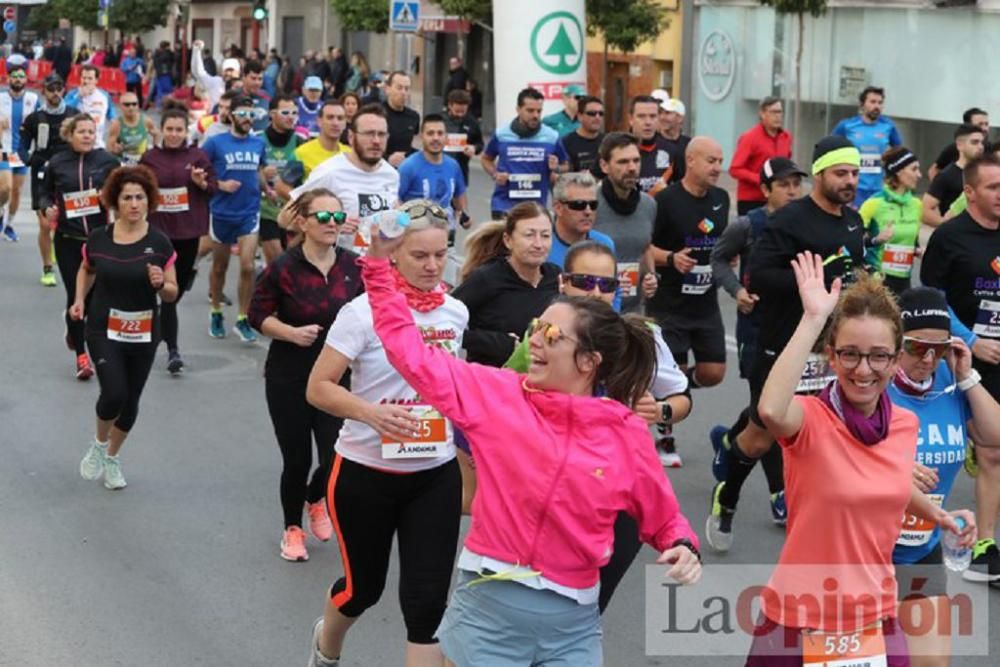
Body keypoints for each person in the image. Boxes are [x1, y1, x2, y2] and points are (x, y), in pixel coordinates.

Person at [321, 225, 702, 667]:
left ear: (589, 362)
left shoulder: (625, 431)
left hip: (573, 625)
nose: (535, 341)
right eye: (538, 327)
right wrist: (378, 271)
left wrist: (681, 544)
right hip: (488, 613)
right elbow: (412, 354)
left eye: (552, 336)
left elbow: (661, 514)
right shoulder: (496, 394)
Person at [744, 252, 972, 666]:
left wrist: (940, 515)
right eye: (849, 354)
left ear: (896, 356)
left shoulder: (903, 424)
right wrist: (813, 318)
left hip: (874, 616)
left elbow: (886, 483)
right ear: (831, 356)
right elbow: (771, 412)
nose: (863, 369)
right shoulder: (810, 419)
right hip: (802, 615)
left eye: (878, 355)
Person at [304, 200, 468, 667]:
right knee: (363, 590)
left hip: (435, 475)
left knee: (427, 606)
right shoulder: (361, 313)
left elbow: (456, 384)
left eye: (440, 254)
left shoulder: (455, 313)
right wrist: (370, 414)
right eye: (420, 255)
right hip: (364, 474)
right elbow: (318, 388)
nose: (432, 265)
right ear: (393, 253)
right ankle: (326, 646)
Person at [502, 240, 693, 615]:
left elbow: (683, 398)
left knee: (586, 609)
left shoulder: (640, 337)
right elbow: (496, 410)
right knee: (533, 609)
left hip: (619, 500)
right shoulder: (539, 341)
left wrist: (660, 411)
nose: (595, 292)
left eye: (606, 284)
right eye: (585, 281)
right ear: (563, 284)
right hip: (549, 497)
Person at [708, 136, 866, 552]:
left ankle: (821, 521)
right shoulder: (790, 220)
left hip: (835, 351)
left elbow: (854, 273)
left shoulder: (853, 222)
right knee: (762, 436)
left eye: (854, 173)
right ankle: (728, 495)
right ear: (820, 174)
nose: (849, 181)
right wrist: (809, 284)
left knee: (832, 436)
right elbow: (759, 277)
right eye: (840, 173)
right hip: (785, 345)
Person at [249, 188, 364, 562]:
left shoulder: (353, 267)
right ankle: (291, 529)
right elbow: (257, 315)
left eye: (337, 217)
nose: (332, 225)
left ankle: (316, 497)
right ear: (303, 222)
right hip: (290, 376)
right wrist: (291, 333)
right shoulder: (283, 267)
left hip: (336, 379)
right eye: (323, 217)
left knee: (336, 456)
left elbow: (373, 313)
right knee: (296, 459)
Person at [889, 287, 1000, 667]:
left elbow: (995, 437)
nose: (929, 358)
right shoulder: (871, 388)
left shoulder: (949, 383)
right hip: (861, 552)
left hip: (920, 550)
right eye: (918, 347)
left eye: (939, 348)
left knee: (932, 664)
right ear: (895, 343)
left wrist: (967, 376)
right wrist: (893, 471)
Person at [72, 166, 179, 491]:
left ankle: (113, 458)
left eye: (140, 198)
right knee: (114, 392)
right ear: (115, 202)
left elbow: (172, 292)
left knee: (131, 400)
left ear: (149, 202)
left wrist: (162, 284)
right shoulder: (100, 238)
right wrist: (78, 300)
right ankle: (99, 444)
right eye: (127, 197)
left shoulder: (159, 242)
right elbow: (86, 268)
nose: (134, 203)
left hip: (144, 330)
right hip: (103, 326)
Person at [921, 153, 1000, 584]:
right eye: (993, 187)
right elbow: (933, 300)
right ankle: (933, 534)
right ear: (969, 192)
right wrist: (971, 341)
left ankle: (985, 542)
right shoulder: (949, 237)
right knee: (971, 450)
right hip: (960, 357)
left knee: (994, 450)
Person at [711, 157, 806, 383]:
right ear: (765, 189)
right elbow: (718, 258)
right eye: (783, 185)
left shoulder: (809, 223)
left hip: (797, 323)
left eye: (796, 184)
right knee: (761, 401)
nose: (792, 191)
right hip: (757, 325)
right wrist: (737, 291)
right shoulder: (747, 225)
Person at [40, 114, 120, 379]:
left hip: (99, 240)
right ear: (70, 134)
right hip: (68, 241)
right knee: (76, 296)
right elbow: (44, 192)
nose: (87, 136)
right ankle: (82, 357)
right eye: (81, 131)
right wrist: (47, 207)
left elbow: (122, 191)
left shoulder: (107, 161)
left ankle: (76, 328)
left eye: (90, 131)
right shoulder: (57, 162)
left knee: (97, 300)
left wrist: (106, 196)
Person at [139, 106, 215, 375]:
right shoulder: (149, 158)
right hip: (157, 235)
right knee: (166, 295)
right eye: (169, 129)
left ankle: (157, 331)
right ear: (161, 130)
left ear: (186, 131)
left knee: (174, 292)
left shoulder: (197, 157)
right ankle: (173, 350)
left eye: (178, 130)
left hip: (187, 234)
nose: (173, 134)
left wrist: (201, 183)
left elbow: (213, 188)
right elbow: (137, 190)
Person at [453, 202, 560, 367]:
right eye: (529, 235)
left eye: (545, 236)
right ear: (508, 240)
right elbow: (442, 325)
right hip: (489, 381)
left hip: (539, 382)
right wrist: (495, 343)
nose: (538, 244)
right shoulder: (486, 278)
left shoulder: (555, 277)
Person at [284, 103, 397, 256]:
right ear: (351, 137)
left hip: (379, 271)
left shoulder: (392, 175)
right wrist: (332, 226)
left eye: (381, 134)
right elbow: (285, 219)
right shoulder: (330, 172)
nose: (376, 141)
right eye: (369, 134)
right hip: (337, 271)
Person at [200, 95, 269, 342]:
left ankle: (243, 317)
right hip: (221, 212)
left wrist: (267, 188)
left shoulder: (258, 144)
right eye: (242, 114)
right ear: (231, 116)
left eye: (251, 115)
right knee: (220, 266)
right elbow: (198, 172)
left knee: (248, 265)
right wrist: (219, 184)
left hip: (249, 212)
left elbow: (259, 171)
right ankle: (216, 311)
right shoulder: (215, 143)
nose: (247, 119)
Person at [20, 73, 78, 286]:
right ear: (43, 91)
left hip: (67, 173)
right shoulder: (35, 118)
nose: (55, 93)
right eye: (50, 89)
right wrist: (30, 161)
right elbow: (22, 145)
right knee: (45, 224)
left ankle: (73, 259)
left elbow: (84, 139)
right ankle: (47, 268)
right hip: (43, 173)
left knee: (67, 221)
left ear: (63, 90)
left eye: (58, 88)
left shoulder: (74, 115)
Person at [593, 132, 658, 315]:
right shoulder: (589, 204)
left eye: (636, 161)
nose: (631, 168)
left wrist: (651, 276)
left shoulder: (648, 204)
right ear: (604, 165)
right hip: (596, 311)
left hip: (633, 311)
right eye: (623, 162)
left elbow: (644, 247)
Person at [481, 88, 567, 219]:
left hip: (536, 207)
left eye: (539, 111)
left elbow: (566, 165)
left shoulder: (551, 136)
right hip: (504, 205)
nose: (536, 116)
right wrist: (495, 174)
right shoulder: (502, 134)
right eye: (530, 110)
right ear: (518, 109)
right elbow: (486, 159)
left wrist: (557, 168)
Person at [860, 146, 924, 295]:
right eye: (914, 169)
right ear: (899, 172)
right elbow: (853, 242)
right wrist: (876, 239)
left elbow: (912, 243)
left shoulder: (916, 205)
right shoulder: (874, 203)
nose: (919, 175)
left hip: (904, 282)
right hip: (877, 281)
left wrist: (919, 251)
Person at [832, 85, 903, 207]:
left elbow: (900, 152)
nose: (877, 106)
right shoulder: (847, 126)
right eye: (872, 102)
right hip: (853, 188)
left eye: (880, 103)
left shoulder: (888, 126)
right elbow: (830, 149)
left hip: (879, 189)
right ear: (862, 104)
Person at [397, 114, 468, 232]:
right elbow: (395, 198)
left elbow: (459, 194)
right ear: (421, 137)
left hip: (446, 234)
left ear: (446, 137)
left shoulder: (453, 165)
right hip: (415, 235)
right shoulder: (408, 166)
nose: (435, 138)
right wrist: (405, 223)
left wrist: (464, 215)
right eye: (430, 133)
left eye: (440, 133)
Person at [259, 94, 304, 265]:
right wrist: (262, 172)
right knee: (277, 260)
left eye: (294, 112)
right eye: (285, 112)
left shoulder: (300, 142)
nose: (291, 116)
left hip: (290, 209)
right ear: (272, 114)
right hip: (264, 209)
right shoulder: (257, 141)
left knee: (291, 261)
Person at [729, 96, 793, 215]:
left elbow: (786, 164)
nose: (778, 116)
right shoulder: (749, 138)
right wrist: (760, 179)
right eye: (773, 112)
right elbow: (735, 169)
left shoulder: (786, 137)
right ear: (762, 114)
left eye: (780, 112)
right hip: (751, 200)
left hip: (777, 199)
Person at [278, 99, 351, 199]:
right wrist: (304, 205)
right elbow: (282, 186)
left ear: (345, 123)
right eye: (330, 118)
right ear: (319, 121)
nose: (335, 123)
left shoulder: (350, 154)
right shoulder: (301, 153)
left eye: (340, 118)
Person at [0, 63, 39, 242]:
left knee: (16, 191)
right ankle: (1, 211)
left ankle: (9, 224)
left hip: (22, 152)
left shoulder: (33, 99)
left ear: (26, 79)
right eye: (14, 76)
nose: (17, 79)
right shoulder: (1, 98)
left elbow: (40, 123)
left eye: (21, 76)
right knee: (5, 187)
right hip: (4, 149)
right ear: (8, 79)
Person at [922, 124, 985, 228]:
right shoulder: (946, 175)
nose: (980, 147)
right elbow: (924, 211)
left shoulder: (985, 173)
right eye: (974, 142)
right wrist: (947, 227)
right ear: (960, 145)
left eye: (982, 142)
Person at [547, 172, 614, 268]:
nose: (588, 211)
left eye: (593, 205)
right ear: (558, 208)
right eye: (579, 205)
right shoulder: (541, 245)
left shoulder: (605, 244)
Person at [629, 95, 679, 194]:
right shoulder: (618, 150)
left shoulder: (672, 151)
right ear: (631, 119)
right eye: (641, 116)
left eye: (653, 116)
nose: (648, 122)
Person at [929, 107, 990, 182]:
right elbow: (933, 170)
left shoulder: (992, 148)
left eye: (986, 124)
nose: (984, 128)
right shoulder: (953, 149)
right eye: (980, 124)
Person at [65, 65, 116, 149]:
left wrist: (113, 118)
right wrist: (79, 97)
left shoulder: (104, 95)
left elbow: (110, 109)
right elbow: (65, 109)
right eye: (84, 78)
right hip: (76, 143)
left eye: (90, 78)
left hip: (97, 142)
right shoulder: (73, 94)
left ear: (96, 80)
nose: (86, 81)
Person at [442, 89, 483, 188]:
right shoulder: (439, 120)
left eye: (463, 111)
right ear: (450, 105)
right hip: (438, 167)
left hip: (460, 170)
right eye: (457, 111)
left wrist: (473, 148)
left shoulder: (472, 122)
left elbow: (480, 143)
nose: (460, 114)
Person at [107, 92, 158, 166]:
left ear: (138, 105)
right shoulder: (117, 125)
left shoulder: (146, 121)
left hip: (142, 160)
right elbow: (109, 148)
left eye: (134, 104)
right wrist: (115, 149)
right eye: (127, 105)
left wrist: (153, 152)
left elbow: (157, 134)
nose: (131, 107)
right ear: (120, 106)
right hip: (124, 161)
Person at [383, 71, 420, 168]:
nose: (403, 92)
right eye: (399, 88)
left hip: (407, 170)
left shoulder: (414, 116)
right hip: (381, 169)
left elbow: (414, 146)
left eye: (406, 89)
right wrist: (388, 158)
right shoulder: (376, 114)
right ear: (387, 89)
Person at [560, 95, 604, 177]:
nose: (597, 117)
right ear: (580, 116)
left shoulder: (608, 142)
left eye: (601, 114)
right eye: (592, 113)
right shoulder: (566, 143)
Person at [191, 39, 241, 110]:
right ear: (221, 71)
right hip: (216, 118)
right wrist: (196, 51)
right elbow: (198, 72)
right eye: (226, 70)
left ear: (238, 72)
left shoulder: (243, 87)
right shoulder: (215, 82)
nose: (228, 73)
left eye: (231, 70)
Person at [242, 60, 272, 133]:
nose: (257, 83)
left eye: (260, 79)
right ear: (244, 77)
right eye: (253, 78)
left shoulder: (266, 96)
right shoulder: (234, 96)